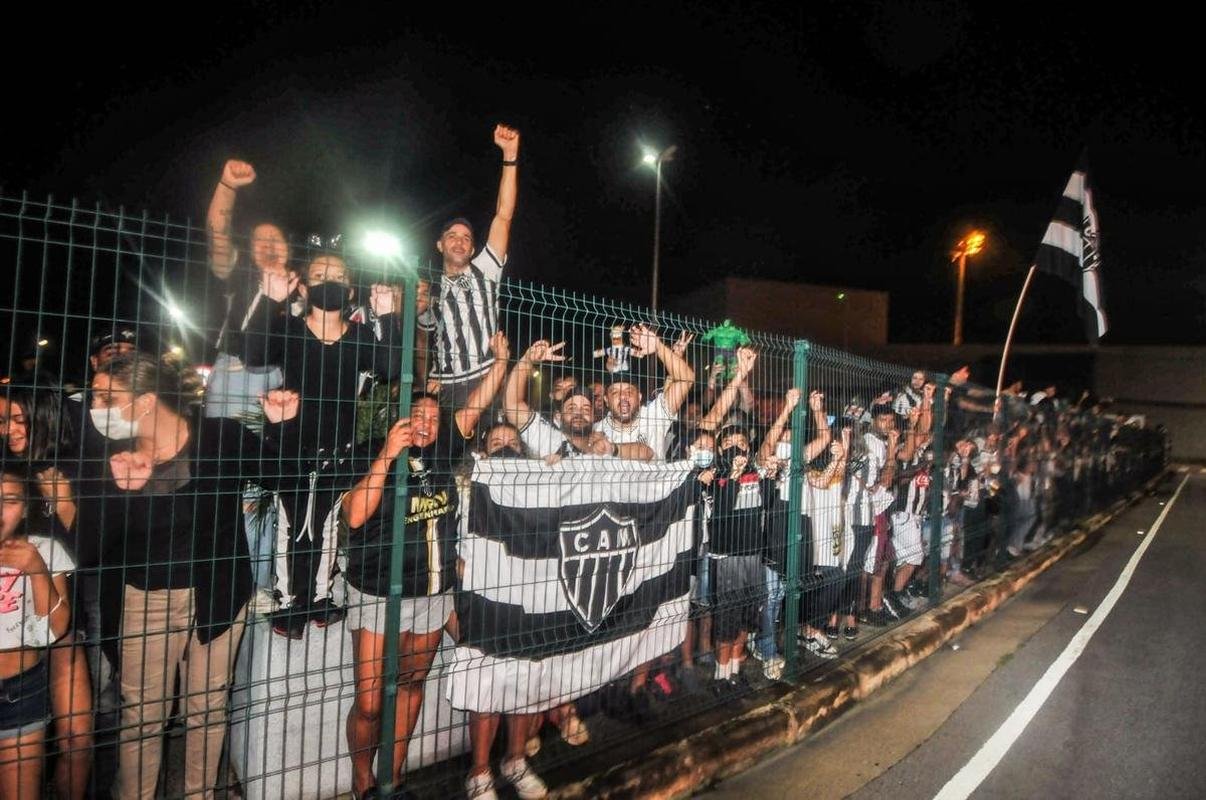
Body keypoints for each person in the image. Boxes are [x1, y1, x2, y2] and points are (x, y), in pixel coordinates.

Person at [92, 353, 296, 799]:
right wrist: (117, 492)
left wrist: (280, 425)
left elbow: (283, 476)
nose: (97, 407)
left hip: (217, 594)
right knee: (142, 717)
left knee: (207, 708)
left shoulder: (220, 436)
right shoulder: (107, 454)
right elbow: (89, 544)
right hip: (141, 600)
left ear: (145, 401)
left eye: (107, 398)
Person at [341, 335, 507, 800]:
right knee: (371, 701)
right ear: (398, 418)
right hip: (377, 591)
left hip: (433, 591)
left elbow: (475, 406)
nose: (427, 423)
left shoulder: (442, 452)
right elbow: (355, 515)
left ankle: (390, 781)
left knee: (412, 685)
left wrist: (503, 362)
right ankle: (361, 779)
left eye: (434, 418)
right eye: (418, 415)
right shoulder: (372, 451)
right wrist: (387, 454)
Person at [243, 252, 401, 636]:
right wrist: (269, 300)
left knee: (327, 521)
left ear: (349, 290)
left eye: (337, 276)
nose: (327, 281)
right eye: (319, 274)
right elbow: (252, 354)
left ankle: (319, 595)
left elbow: (391, 368)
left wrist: (389, 316)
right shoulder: (289, 329)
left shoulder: (361, 335)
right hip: (290, 441)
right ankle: (285, 598)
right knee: (291, 520)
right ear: (305, 286)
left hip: (338, 447)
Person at [0, 387, 93, 799]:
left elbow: (94, 547)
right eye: (3, 420)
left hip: (63, 609)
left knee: (77, 737)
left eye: (20, 418)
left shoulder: (76, 468)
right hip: (14, 624)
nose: (10, 429)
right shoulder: (6, 471)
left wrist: (66, 504)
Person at [419, 125, 520, 409]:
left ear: (473, 249)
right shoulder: (430, 287)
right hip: (445, 384)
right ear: (440, 245)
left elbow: (503, 215)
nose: (460, 242)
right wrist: (423, 378)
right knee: (448, 452)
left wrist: (510, 156)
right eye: (452, 236)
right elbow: (423, 340)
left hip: (486, 374)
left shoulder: (485, 268)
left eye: (466, 238)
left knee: (489, 449)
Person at [0, 468, 75, 799]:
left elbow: (58, 628)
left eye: (10, 500)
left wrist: (35, 569)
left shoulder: (44, 550)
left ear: (27, 506)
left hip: (21, 692)